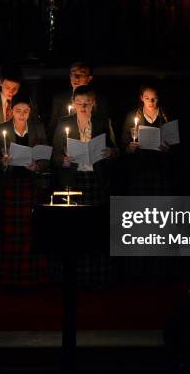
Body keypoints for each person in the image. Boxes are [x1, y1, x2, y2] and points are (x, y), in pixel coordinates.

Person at [52, 85, 118, 287]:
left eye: (87, 103)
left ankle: (96, 277)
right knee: (73, 231)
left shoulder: (102, 122)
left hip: (95, 181)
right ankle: (72, 277)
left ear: (93, 103)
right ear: (73, 103)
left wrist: (110, 152)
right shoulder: (64, 123)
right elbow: (54, 154)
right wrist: (61, 160)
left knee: (95, 229)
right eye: (79, 103)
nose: (83, 106)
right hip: (72, 180)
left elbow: (116, 150)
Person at [0, 93, 50, 286]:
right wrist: (3, 162)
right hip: (9, 186)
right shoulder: (2, 129)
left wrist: (38, 166)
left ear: (30, 112)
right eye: (18, 111)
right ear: (11, 112)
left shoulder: (38, 128)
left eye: (25, 111)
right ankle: (7, 277)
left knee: (30, 231)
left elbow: (46, 156)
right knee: (9, 233)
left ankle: (31, 277)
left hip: (31, 186)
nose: (22, 115)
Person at [121, 84, 175, 195]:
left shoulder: (167, 116)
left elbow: (175, 144)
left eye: (154, 98)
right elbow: (124, 142)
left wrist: (169, 149)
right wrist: (129, 148)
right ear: (141, 98)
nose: (151, 101)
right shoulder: (133, 116)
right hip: (139, 167)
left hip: (161, 168)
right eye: (147, 98)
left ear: (158, 98)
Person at [48, 62, 109, 138]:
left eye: (81, 74)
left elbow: (106, 128)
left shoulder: (99, 99)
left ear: (89, 78)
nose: (76, 78)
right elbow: (53, 126)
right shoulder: (59, 98)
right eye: (73, 74)